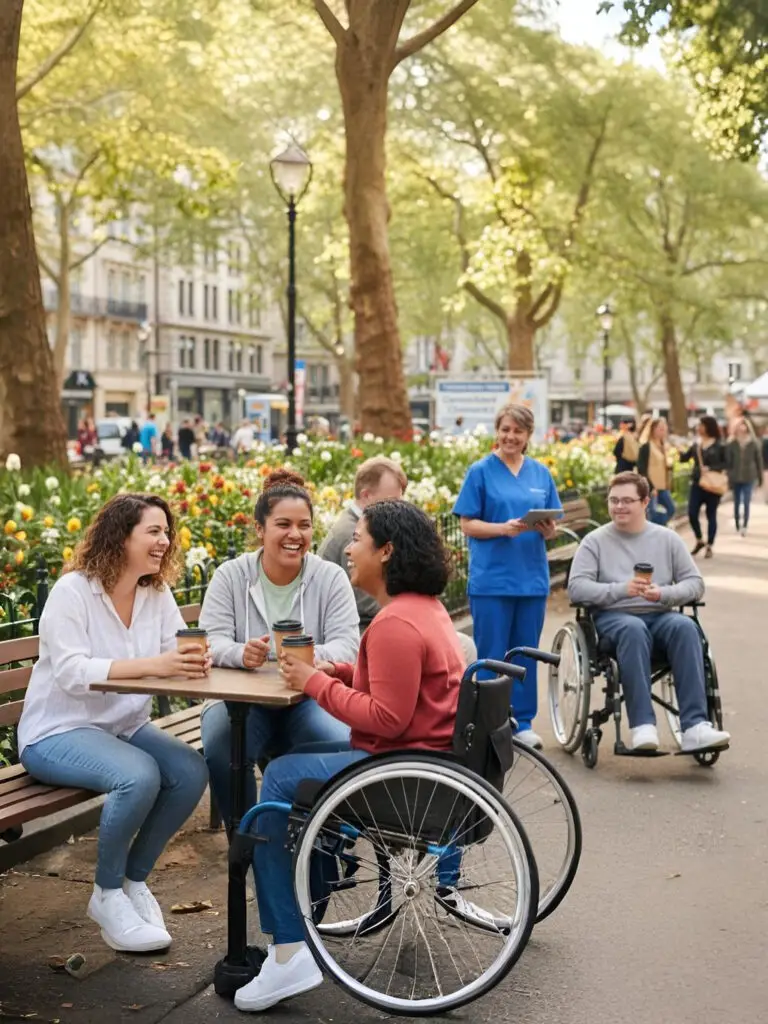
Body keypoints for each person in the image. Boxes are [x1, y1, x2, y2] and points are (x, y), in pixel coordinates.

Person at [232, 500, 465, 1012]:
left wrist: (315, 681)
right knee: (291, 768)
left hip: (398, 773)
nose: (347, 548)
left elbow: (386, 718)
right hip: (422, 761)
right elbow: (401, 694)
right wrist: (338, 676)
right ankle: (305, 907)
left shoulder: (394, 625)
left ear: (387, 550)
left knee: (275, 785)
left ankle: (289, 949)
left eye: (357, 538)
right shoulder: (422, 610)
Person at [17, 494, 210, 953]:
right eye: (153, 531)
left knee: (189, 772)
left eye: (167, 531)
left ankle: (133, 882)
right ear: (121, 536)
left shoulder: (155, 593)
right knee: (138, 775)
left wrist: (222, 656)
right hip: (57, 732)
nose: (165, 540)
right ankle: (105, 894)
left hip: (122, 725)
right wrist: (154, 666)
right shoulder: (73, 592)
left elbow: (173, 653)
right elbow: (70, 672)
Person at [199, 470, 360, 827]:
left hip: (308, 699)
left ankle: (316, 837)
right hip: (240, 702)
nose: (295, 535)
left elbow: (348, 645)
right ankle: (246, 842)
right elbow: (212, 638)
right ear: (260, 529)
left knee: (338, 741)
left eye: (304, 525)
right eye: (283, 524)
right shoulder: (231, 575)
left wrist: (309, 660)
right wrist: (241, 654)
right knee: (223, 745)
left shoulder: (329, 577)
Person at [568, 472, 730, 754]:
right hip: (613, 619)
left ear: (645, 502)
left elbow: (695, 584)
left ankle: (695, 727)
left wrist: (664, 594)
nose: (619, 506)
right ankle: (642, 726)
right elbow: (577, 589)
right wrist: (621, 589)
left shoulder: (667, 539)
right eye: (613, 500)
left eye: (627, 501)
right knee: (633, 629)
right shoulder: (594, 542)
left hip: (659, 614)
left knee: (686, 627)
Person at [453, 402, 561, 750]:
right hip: (493, 580)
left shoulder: (540, 474)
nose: (510, 436)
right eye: (505, 429)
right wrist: (502, 528)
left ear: (528, 436)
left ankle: (523, 722)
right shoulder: (480, 472)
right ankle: (489, 722)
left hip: (530, 579)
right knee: (493, 653)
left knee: (526, 652)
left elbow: (552, 529)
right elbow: (466, 523)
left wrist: (546, 529)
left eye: (518, 431)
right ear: (497, 431)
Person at [318, 455, 407, 632]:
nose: (398, 508)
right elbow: (366, 603)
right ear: (366, 495)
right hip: (353, 631)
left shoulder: (366, 526)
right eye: (391, 501)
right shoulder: (352, 533)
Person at [680, 416, 727, 558]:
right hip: (698, 483)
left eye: (701, 425)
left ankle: (710, 545)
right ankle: (699, 539)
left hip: (713, 485)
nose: (698, 427)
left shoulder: (720, 445)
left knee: (710, 514)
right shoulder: (696, 444)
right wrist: (679, 450)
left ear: (709, 427)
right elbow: (684, 459)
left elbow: (726, 464)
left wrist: (711, 468)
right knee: (692, 513)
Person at [726, 418, 763, 535]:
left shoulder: (753, 442)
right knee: (737, 501)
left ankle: (745, 525)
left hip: (749, 476)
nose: (742, 428)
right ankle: (737, 523)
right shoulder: (732, 443)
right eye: (740, 426)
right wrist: (729, 476)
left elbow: (759, 461)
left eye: (744, 425)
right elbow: (728, 462)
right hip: (736, 477)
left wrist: (760, 477)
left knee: (746, 501)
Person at [637, 417, 675, 526]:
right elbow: (641, 469)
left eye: (664, 428)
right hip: (652, 488)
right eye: (660, 428)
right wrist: (650, 487)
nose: (663, 430)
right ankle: (656, 532)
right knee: (651, 514)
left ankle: (658, 529)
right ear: (652, 429)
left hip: (663, 487)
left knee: (671, 509)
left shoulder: (663, 446)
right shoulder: (646, 447)